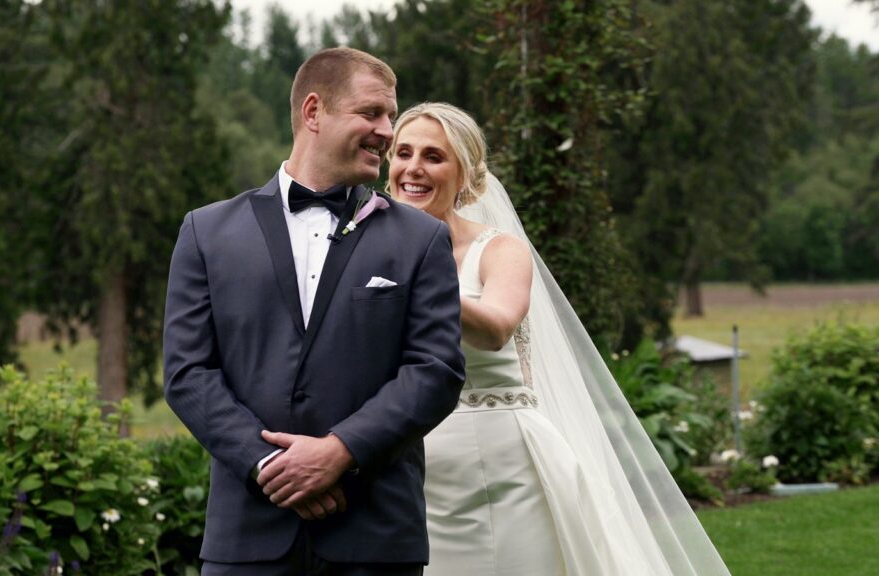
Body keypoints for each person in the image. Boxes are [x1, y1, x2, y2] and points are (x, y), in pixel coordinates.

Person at [388, 102, 732, 576]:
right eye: (403, 153)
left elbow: (495, 328)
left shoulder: (499, 250)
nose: (414, 168)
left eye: (434, 156)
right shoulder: (368, 247)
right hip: (405, 465)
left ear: (465, 173)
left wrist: (414, 281)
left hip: (500, 466)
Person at [162, 49, 465, 576]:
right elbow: (188, 373)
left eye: (390, 116)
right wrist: (270, 466)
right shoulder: (206, 233)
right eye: (372, 114)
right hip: (247, 538)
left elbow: (435, 372)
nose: (387, 131)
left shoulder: (421, 239)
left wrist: (339, 452)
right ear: (312, 112)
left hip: (374, 537)